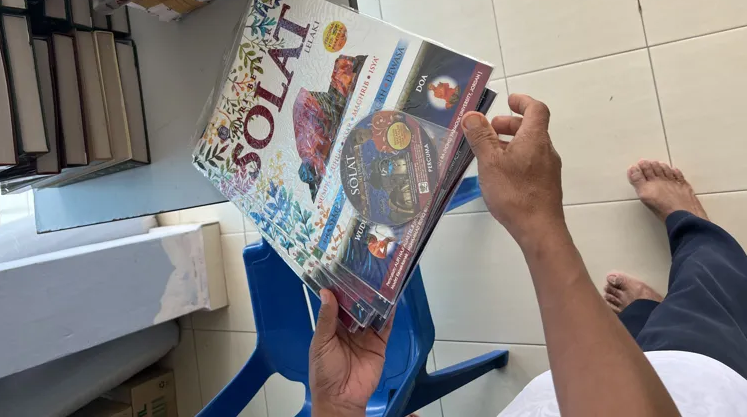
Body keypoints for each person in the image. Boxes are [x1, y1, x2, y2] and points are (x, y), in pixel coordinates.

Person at [307, 94, 747, 416]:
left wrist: (339, 407)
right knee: (710, 285)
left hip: (562, 391)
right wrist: (537, 222)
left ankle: (646, 311)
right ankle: (691, 226)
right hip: (692, 383)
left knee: (627, 332)